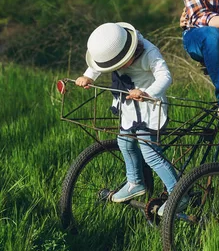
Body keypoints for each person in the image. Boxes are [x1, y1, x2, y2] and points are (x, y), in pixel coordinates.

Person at [75, 22, 186, 216]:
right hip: (128, 105)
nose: (117, 68)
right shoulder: (114, 43)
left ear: (132, 51)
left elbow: (165, 76)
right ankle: (135, 182)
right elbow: (99, 62)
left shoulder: (149, 53)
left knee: (150, 152)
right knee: (124, 142)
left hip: (150, 106)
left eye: (119, 64)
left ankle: (179, 194)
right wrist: (88, 76)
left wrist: (147, 92)